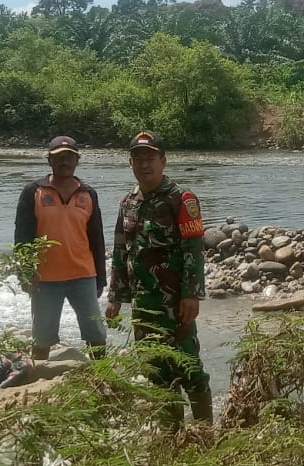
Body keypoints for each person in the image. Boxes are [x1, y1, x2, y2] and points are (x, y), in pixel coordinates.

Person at [108, 130, 212, 426]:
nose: (145, 165)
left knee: (189, 369)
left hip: (175, 304)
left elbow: (194, 249)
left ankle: (205, 433)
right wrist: (116, 296)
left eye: (150, 158)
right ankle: (172, 438)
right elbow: (120, 250)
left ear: (163, 162)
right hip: (144, 306)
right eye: (138, 159)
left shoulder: (181, 199)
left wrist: (192, 294)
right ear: (131, 163)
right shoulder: (128, 203)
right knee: (156, 371)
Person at [13, 135, 109, 362]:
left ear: (77, 160)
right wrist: (25, 272)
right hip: (44, 279)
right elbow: (22, 238)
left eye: (69, 157)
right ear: (49, 161)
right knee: (42, 338)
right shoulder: (33, 191)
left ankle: (103, 376)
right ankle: (38, 381)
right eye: (58, 158)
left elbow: (97, 238)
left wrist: (101, 278)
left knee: (95, 333)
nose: (64, 162)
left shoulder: (88, 194)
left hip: (83, 276)